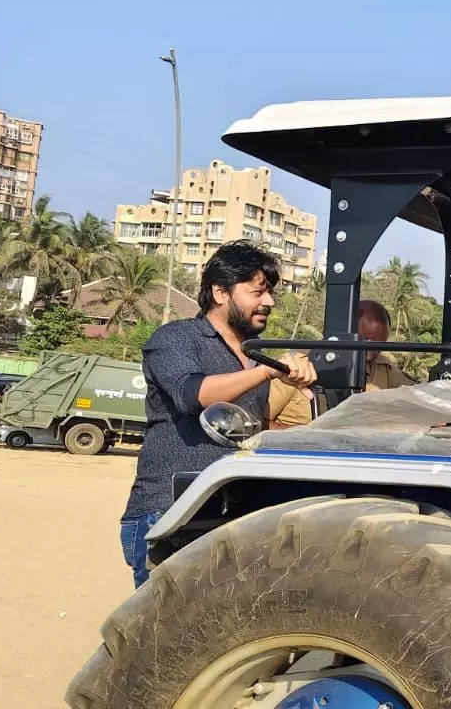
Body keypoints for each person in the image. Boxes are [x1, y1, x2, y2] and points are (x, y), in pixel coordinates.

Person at [120, 241, 317, 588]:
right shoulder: (175, 338)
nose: (268, 302)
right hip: (170, 515)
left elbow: (252, 429)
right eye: (257, 292)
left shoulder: (254, 355)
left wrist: (307, 402)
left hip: (232, 516)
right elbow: (193, 394)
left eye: (269, 293)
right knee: (164, 634)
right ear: (220, 292)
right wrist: (269, 371)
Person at [267, 299, 413, 428]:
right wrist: (306, 436)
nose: (373, 353)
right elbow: (257, 421)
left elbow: (420, 397)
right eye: (366, 341)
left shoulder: (384, 370)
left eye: (379, 346)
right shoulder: (299, 363)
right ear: (347, 330)